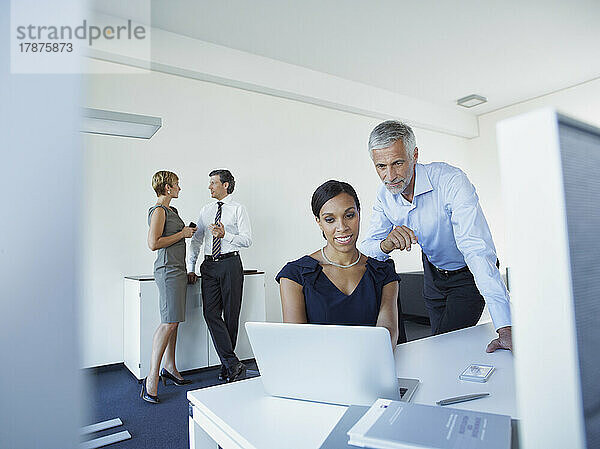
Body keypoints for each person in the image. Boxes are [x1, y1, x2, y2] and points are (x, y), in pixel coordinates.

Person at [360, 120, 512, 353]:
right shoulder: (385, 197)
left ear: (415, 155)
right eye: (381, 166)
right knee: (439, 340)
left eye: (397, 163)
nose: (389, 175)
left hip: (466, 274)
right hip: (432, 273)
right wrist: (386, 244)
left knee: (446, 343)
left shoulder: (450, 181)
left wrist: (505, 326)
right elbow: (368, 248)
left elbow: (476, 250)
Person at [277, 180, 399, 346]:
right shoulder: (295, 275)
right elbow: (297, 342)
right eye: (330, 219)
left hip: (372, 366)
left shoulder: (383, 274)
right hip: (319, 369)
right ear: (318, 222)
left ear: (359, 213)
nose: (342, 227)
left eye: (349, 216)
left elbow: (388, 334)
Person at [187, 169, 252, 382]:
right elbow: (196, 240)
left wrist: (226, 235)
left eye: (213, 183)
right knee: (211, 313)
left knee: (231, 316)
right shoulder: (205, 210)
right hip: (209, 266)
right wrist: (191, 267)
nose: (210, 187)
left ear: (225, 185)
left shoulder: (238, 209)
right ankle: (233, 363)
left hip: (231, 263)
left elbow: (247, 240)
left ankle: (228, 366)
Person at [143, 171, 197, 404]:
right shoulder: (159, 211)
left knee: (174, 321)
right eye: (177, 184)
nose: (179, 188)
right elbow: (153, 243)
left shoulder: (172, 211)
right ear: (167, 188)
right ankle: (151, 378)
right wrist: (182, 234)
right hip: (166, 271)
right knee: (168, 322)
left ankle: (170, 367)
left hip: (177, 270)